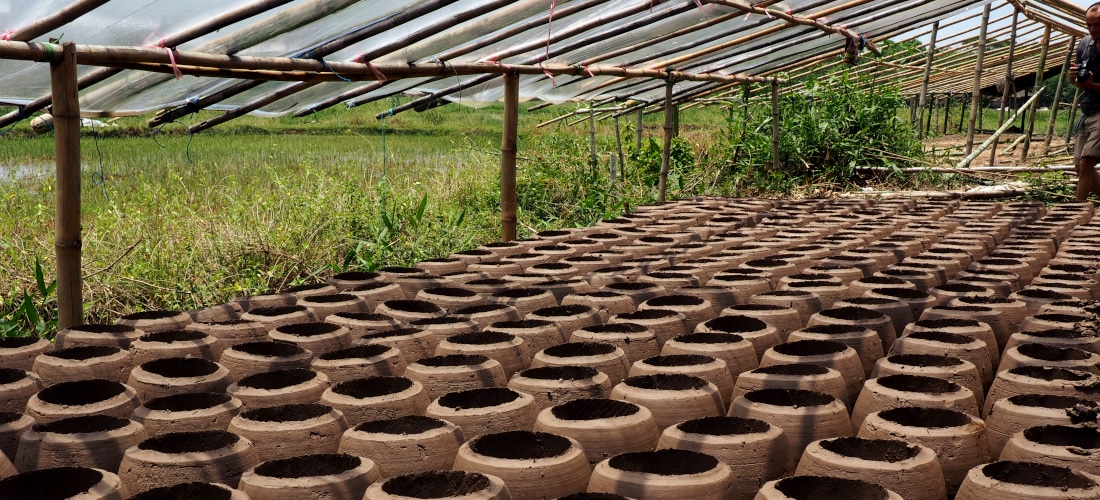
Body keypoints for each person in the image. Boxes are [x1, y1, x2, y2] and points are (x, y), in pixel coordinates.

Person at [1070, 3, 1100, 202]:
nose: (1092, 29)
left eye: (1097, 25)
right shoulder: (1085, 44)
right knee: (1079, 167)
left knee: (1087, 161)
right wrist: (1075, 78)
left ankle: (1075, 211)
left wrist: (1092, 84)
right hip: (1089, 109)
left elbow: (1088, 84)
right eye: (1088, 25)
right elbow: (1077, 83)